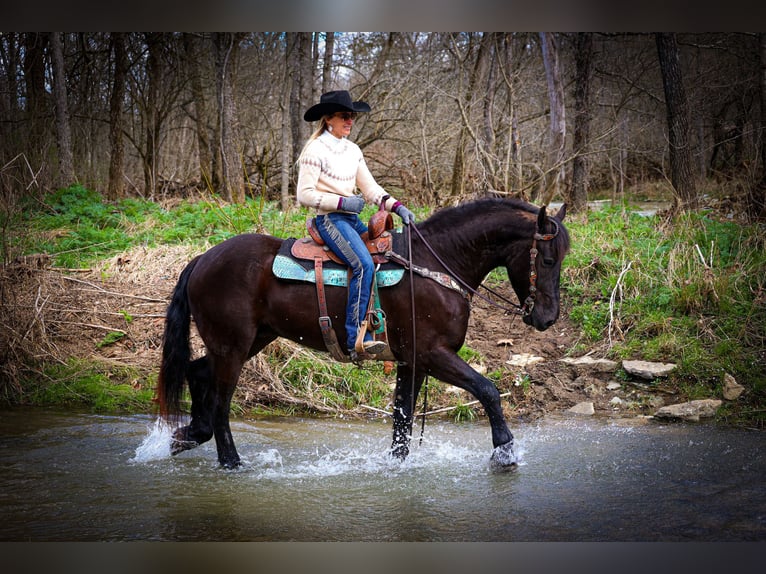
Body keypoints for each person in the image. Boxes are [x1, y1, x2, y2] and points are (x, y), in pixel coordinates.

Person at [296, 90, 415, 360]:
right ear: (329, 120)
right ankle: (355, 338)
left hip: (350, 219)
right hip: (329, 219)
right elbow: (304, 194)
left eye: (352, 117)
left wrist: (396, 206)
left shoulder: (353, 150)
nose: (350, 121)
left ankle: (382, 325)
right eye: (345, 116)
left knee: (385, 254)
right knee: (361, 264)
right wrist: (341, 203)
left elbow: (370, 188)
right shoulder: (315, 150)